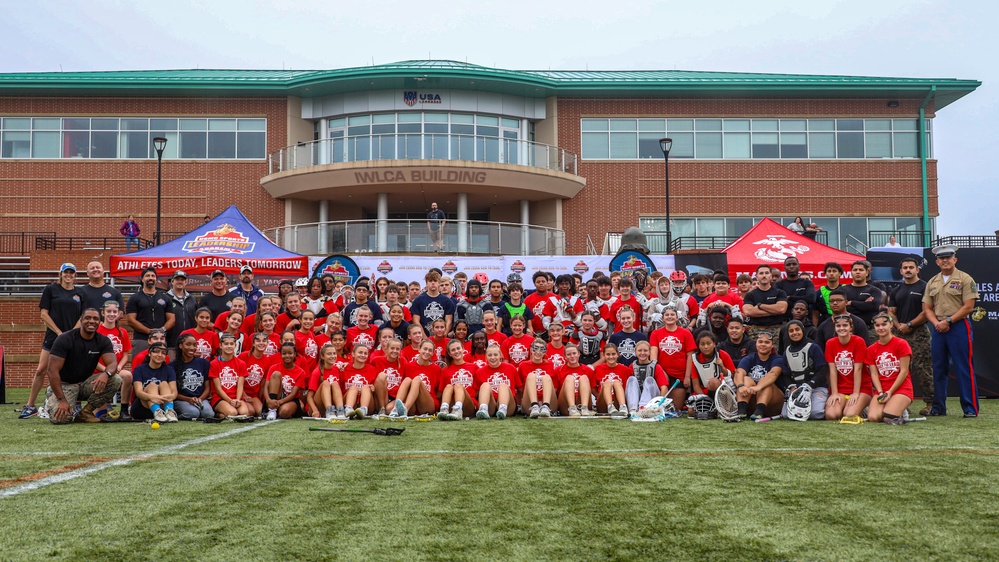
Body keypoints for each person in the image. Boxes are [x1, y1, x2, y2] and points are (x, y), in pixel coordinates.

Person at [21, 262, 84, 419]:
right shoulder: (51, 290)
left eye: (72, 272)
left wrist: (70, 334)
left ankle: (74, 406)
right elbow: (44, 314)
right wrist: (58, 332)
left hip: (72, 338)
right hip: (53, 337)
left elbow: (83, 317)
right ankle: (30, 406)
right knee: (41, 370)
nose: (69, 275)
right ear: (60, 273)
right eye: (66, 272)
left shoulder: (80, 293)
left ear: (75, 275)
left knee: (72, 373)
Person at [922, 245, 980, 417]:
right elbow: (927, 308)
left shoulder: (965, 278)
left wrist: (948, 320)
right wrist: (937, 323)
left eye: (949, 257)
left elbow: (969, 307)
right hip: (938, 327)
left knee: (963, 367)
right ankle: (938, 408)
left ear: (955, 260)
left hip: (959, 326)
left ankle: (970, 409)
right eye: (942, 258)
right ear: (937, 262)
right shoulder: (932, 281)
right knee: (938, 367)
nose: (945, 260)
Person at [42, 308, 120, 424]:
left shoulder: (102, 340)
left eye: (95, 319)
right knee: (61, 419)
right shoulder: (64, 339)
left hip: (85, 383)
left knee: (115, 379)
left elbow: (113, 364)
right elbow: (52, 371)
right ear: (81, 320)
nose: (91, 321)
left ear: (100, 322)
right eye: (87, 318)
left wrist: (106, 374)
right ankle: (51, 400)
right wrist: (62, 400)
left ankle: (85, 413)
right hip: (65, 384)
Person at [888, 256, 934, 415]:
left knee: (923, 368)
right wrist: (898, 325)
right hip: (899, 333)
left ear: (917, 269)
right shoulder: (896, 290)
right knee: (898, 369)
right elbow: (890, 311)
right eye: (905, 268)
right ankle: (900, 403)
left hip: (919, 333)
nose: (908, 270)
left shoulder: (925, 287)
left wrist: (910, 324)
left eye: (911, 267)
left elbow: (927, 311)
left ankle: (930, 404)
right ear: (901, 271)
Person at [867, 312, 914, 424]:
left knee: (888, 417)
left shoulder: (901, 343)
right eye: (877, 325)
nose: (881, 328)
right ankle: (892, 406)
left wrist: (890, 392)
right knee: (874, 418)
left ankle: (901, 409)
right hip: (882, 389)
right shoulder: (871, 349)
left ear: (891, 325)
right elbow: (874, 374)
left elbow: (904, 371)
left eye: (884, 324)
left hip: (901, 388)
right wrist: (880, 392)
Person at [777, 320, 829, 420]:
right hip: (798, 389)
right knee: (786, 415)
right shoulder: (787, 352)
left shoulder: (814, 347)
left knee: (815, 414)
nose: (795, 333)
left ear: (803, 330)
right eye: (791, 331)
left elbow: (822, 371)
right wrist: (792, 387)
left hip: (816, 387)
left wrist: (809, 385)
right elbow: (786, 375)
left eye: (797, 329)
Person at [823, 314, 870, 421]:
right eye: (838, 326)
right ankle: (848, 405)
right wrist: (834, 393)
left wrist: (856, 393)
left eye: (845, 325)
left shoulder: (859, 341)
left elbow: (858, 369)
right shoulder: (830, 343)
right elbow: (832, 371)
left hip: (861, 388)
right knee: (831, 415)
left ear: (851, 327)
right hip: (841, 388)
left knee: (849, 415)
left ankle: (862, 406)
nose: (842, 328)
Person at [733, 331, 785, 420]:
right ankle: (741, 411)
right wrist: (740, 386)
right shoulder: (749, 358)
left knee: (766, 384)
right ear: (756, 344)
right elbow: (739, 372)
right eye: (760, 342)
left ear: (772, 345)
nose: (763, 345)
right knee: (746, 379)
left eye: (767, 342)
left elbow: (773, 374)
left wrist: (759, 387)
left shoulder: (777, 359)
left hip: (772, 402)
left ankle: (759, 412)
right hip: (752, 398)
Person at [95, 300, 134, 419]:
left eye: (114, 311)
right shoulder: (97, 331)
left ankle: (124, 410)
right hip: (99, 371)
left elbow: (125, 354)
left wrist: (119, 366)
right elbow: (92, 357)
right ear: (103, 313)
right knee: (101, 416)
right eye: (108, 311)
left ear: (119, 314)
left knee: (128, 376)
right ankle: (103, 405)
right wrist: (107, 370)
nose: (111, 314)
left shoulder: (122, 332)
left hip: (116, 369)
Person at [126, 267, 175, 357]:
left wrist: (162, 330)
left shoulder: (165, 298)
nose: (150, 278)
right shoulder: (134, 298)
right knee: (139, 364)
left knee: (161, 366)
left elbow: (171, 319)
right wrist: (148, 331)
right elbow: (130, 320)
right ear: (142, 279)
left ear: (156, 279)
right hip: (141, 339)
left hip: (160, 339)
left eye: (153, 276)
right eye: (147, 276)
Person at [129, 343, 179, 422]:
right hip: (142, 408)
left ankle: (169, 412)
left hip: (163, 405)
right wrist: (152, 397)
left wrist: (162, 398)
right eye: (156, 351)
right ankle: (157, 411)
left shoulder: (169, 370)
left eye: (163, 353)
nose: (160, 355)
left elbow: (174, 393)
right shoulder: (139, 369)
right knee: (152, 385)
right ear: (149, 353)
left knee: (164, 383)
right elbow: (138, 392)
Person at [172, 333, 214, 420]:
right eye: (188, 344)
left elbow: (207, 388)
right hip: (181, 400)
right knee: (193, 413)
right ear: (180, 346)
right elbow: (173, 392)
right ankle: (173, 416)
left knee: (208, 414)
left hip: (200, 398)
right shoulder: (172, 366)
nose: (192, 348)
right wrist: (188, 399)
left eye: (194, 345)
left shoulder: (203, 363)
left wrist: (200, 399)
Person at [209, 333, 251, 418]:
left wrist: (238, 400)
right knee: (232, 413)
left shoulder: (241, 363)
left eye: (231, 344)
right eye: (226, 344)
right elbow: (218, 389)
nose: (229, 346)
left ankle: (223, 414)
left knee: (244, 413)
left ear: (235, 345)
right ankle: (219, 414)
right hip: (220, 398)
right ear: (220, 345)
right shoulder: (214, 363)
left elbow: (240, 386)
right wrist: (229, 401)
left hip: (236, 397)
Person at [743, 264, 788, 341]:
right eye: (761, 273)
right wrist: (774, 311)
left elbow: (781, 309)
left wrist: (760, 306)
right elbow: (748, 311)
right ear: (756, 276)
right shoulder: (750, 295)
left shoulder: (780, 293)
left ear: (770, 275)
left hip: (776, 331)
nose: (764, 275)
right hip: (756, 331)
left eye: (766, 273)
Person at [474, 344, 519, 420]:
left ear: (501, 355)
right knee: (485, 385)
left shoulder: (511, 368)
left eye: (495, 355)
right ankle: (483, 409)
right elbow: (476, 393)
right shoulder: (480, 371)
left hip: (508, 406)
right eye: (489, 355)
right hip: (491, 404)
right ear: (486, 357)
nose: (493, 357)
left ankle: (502, 408)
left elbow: (520, 389)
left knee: (503, 386)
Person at [265, 342, 308, 420]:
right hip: (276, 396)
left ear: (295, 354)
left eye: (290, 353)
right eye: (284, 353)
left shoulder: (300, 372)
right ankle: (272, 410)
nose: (287, 356)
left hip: (291, 399)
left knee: (284, 413)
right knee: (276, 374)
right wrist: (268, 400)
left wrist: (280, 402)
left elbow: (293, 394)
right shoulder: (274, 367)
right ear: (280, 354)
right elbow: (266, 387)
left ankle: (277, 409)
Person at [439, 339, 479, 420]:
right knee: (449, 386)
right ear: (449, 353)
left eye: (458, 348)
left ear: (463, 349)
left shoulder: (474, 367)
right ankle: (444, 409)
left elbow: (478, 389)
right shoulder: (445, 370)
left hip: (469, 403)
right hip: (452, 404)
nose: (456, 351)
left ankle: (458, 410)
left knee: (458, 385)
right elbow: (441, 392)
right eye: (453, 350)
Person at [519, 338, 558, 418]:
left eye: (542, 350)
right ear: (531, 350)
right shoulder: (523, 365)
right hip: (529, 402)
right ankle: (534, 405)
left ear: (545, 352)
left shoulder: (550, 364)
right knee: (531, 376)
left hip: (548, 401)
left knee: (546, 377)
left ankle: (545, 406)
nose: (538, 352)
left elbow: (555, 388)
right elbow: (520, 387)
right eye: (535, 349)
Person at [591, 343, 631, 418]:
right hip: (603, 403)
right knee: (607, 383)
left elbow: (629, 387)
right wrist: (600, 396)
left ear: (618, 354)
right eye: (608, 354)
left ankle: (623, 406)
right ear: (604, 355)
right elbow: (593, 389)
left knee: (616, 382)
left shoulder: (625, 369)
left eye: (613, 354)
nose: (611, 357)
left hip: (618, 400)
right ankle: (610, 406)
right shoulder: (598, 368)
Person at [307, 343, 346, 419]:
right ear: (322, 356)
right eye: (329, 354)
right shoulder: (317, 372)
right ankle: (329, 411)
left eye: (334, 353)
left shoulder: (338, 369)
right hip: (318, 407)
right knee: (325, 383)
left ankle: (340, 411)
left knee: (335, 384)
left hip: (334, 404)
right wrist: (315, 410)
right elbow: (309, 397)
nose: (332, 356)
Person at [165, 270, 197, 360]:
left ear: (186, 282)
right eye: (177, 279)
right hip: (171, 343)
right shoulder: (165, 298)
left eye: (182, 280)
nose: (180, 282)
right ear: (172, 282)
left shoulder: (192, 299)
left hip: (189, 343)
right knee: (173, 368)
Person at [843, 260, 883, 329]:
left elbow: (873, 307)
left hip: (869, 329)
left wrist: (851, 303)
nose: (858, 272)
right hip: (846, 328)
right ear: (851, 273)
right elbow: (841, 308)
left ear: (867, 273)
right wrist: (864, 305)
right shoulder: (842, 290)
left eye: (861, 270)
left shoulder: (875, 290)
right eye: (855, 270)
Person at [411, 271, 454, 336]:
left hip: (441, 336)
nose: (433, 283)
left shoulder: (447, 301)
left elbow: (449, 321)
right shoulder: (418, 300)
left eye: (435, 281)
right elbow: (416, 321)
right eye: (430, 281)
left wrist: (443, 335)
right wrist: (424, 337)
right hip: (424, 336)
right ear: (426, 283)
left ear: (439, 283)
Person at [627, 340, 665, 413]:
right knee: (631, 379)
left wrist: (659, 404)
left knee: (649, 380)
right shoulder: (632, 366)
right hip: (637, 396)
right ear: (635, 352)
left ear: (649, 352)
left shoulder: (656, 366)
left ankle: (643, 408)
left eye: (645, 350)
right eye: (639, 350)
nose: (642, 353)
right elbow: (629, 387)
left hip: (651, 398)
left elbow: (664, 388)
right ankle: (633, 409)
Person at [342, 344, 378, 419]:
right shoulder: (344, 368)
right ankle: (348, 409)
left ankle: (363, 410)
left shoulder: (372, 369)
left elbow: (374, 389)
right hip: (349, 401)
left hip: (367, 403)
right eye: (360, 352)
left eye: (365, 353)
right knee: (353, 387)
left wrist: (373, 388)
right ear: (353, 354)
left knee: (366, 387)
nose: (363, 355)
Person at [557, 344, 594, 417]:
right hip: (566, 405)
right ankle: (572, 408)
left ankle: (584, 408)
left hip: (583, 400)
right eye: (569, 354)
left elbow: (594, 391)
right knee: (569, 378)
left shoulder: (588, 370)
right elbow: (555, 391)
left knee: (584, 378)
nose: (572, 356)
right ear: (565, 357)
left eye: (574, 353)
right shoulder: (558, 370)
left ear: (579, 354)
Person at [813, 262, 845, 327]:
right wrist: (814, 329)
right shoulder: (819, 292)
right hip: (824, 324)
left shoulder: (846, 289)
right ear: (825, 274)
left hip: (843, 323)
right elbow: (815, 314)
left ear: (840, 273)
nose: (831, 273)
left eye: (834, 271)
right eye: (829, 271)